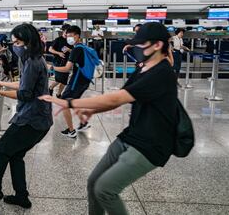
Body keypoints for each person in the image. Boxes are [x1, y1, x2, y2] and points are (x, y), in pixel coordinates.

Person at [40, 22, 177, 215]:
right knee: (93, 182)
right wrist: (92, 111)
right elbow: (119, 98)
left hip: (151, 146)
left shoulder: (161, 73)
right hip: (131, 136)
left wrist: (69, 103)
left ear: (157, 45)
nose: (136, 48)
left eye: (141, 43)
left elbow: (115, 98)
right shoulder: (143, 69)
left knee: (105, 190)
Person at [0, 23, 53, 209]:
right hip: (40, 119)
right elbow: (24, 84)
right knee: (16, 155)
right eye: (13, 42)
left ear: (29, 41)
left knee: (2, 148)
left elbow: (25, 94)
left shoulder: (32, 62)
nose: (15, 45)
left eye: (18, 41)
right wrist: (3, 83)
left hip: (31, 119)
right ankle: (22, 196)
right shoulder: (33, 59)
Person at [51, 25, 92, 138]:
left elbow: (66, 68)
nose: (68, 38)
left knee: (64, 103)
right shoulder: (83, 47)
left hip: (77, 81)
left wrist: (51, 68)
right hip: (85, 80)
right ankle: (83, 123)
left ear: (77, 36)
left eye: (70, 36)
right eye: (67, 36)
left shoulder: (76, 50)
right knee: (73, 102)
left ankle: (71, 131)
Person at [48, 24, 72, 98]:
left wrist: (69, 49)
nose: (67, 34)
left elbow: (74, 51)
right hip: (58, 62)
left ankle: (58, 94)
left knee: (64, 81)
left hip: (67, 63)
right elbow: (50, 49)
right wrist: (59, 53)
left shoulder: (70, 41)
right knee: (58, 79)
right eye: (66, 32)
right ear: (63, 31)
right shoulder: (58, 40)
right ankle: (50, 88)